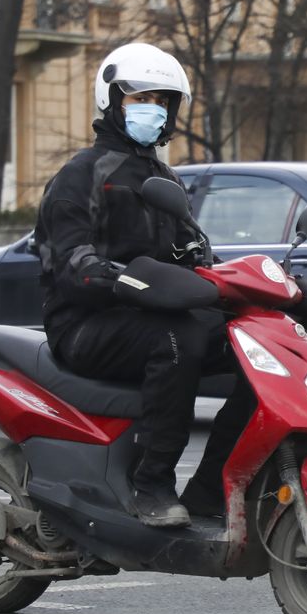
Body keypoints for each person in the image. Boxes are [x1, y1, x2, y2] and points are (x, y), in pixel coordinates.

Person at [34, 43, 256, 528]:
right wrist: (130, 280)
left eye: (162, 100)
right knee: (180, 341)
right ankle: (151, 483)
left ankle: (213, 484)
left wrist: (248, 287)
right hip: (85, 324)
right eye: (139, 99)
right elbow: (74, 265)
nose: (152, 109)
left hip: (152, 316)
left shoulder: (163, 176)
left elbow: (195, 253)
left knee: (256, 350)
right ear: (112, 102)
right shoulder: (80, 175)